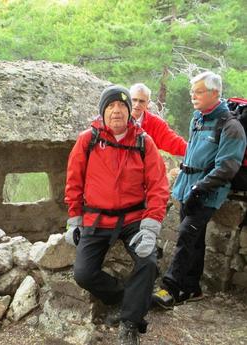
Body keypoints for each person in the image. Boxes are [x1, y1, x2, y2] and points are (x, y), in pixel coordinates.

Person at [64, 85, 169, 345]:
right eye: (110, 106)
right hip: (96, 219)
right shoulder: (87, 140)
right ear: (102, 112)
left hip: (134, 219)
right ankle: (126, 296)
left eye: (122, 106)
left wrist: (150, 227)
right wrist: (74, 219)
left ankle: (130, 323)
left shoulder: (144, 142)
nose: (116, 111)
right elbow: (73, 182)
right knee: (83, 274)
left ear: (130, 112)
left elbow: (158, 186)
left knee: (149, 261)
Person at [153, 71, 246, 309]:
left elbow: (227, 167)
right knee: (195, 240)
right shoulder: (198, 118)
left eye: (199, 92)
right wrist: (187, 186)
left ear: (215, 93)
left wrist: (199, 188)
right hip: (188, 188)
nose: (193, 96)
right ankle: (193, 288)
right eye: (192, 91)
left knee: (186, 235)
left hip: (208, 193)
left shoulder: (231, 126)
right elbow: (192, 153)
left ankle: (169, 289)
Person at [129, 83, 187, 156]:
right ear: (128, 99)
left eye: (141, 101)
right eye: (134, 100)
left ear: (148, 103)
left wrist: (200, 155)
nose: (137, 104)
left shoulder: (155, 123)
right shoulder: (117, 118)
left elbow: (175, 143)